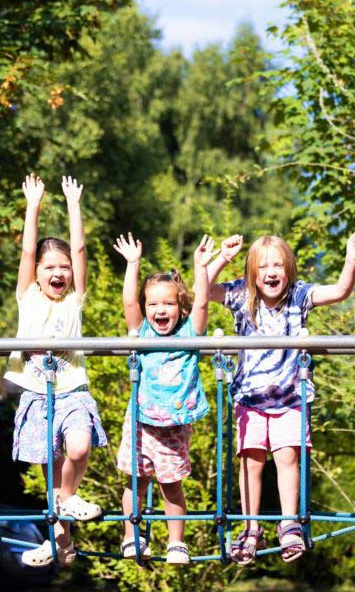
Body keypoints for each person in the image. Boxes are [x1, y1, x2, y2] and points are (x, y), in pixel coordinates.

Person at [207, 232, 355, 564]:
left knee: (287, 459)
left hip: (291, 397)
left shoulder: (299, 295)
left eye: (278, 265)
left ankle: (289, 524)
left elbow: (339, 291)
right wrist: (222, 258)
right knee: (250, 462)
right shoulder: (242, 295)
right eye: (263, 266)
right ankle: (250, 528)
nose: (271, 272)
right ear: (252, 272)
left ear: (289, 269)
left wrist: (351, 260)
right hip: (250, 398)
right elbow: (204, 290)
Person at [5, 174, 106, 567]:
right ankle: (60, 544)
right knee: (52, 472)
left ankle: (70, 499)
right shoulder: (27, 296)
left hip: (72, 390)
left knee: (78, 449)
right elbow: (27, 250)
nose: (58, 273)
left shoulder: (74, 300)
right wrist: (32, 205)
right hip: (37, 395)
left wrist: (73, 204)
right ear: (37, 272)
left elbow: (79, 248)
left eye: (64, 268)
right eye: (49, 267)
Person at [112, 232, 214, 564]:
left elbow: (202, 303)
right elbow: (129, 303)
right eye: (153, 304)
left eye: (168, 304)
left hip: (174, 428)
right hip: (141, 423)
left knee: (171, 486)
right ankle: (131, 536)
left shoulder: (190, 333)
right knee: (136, 483)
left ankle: (176, 543)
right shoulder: (142, 331)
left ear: (180, 308)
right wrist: (133, 264)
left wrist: (200, 267)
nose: (160, 310)